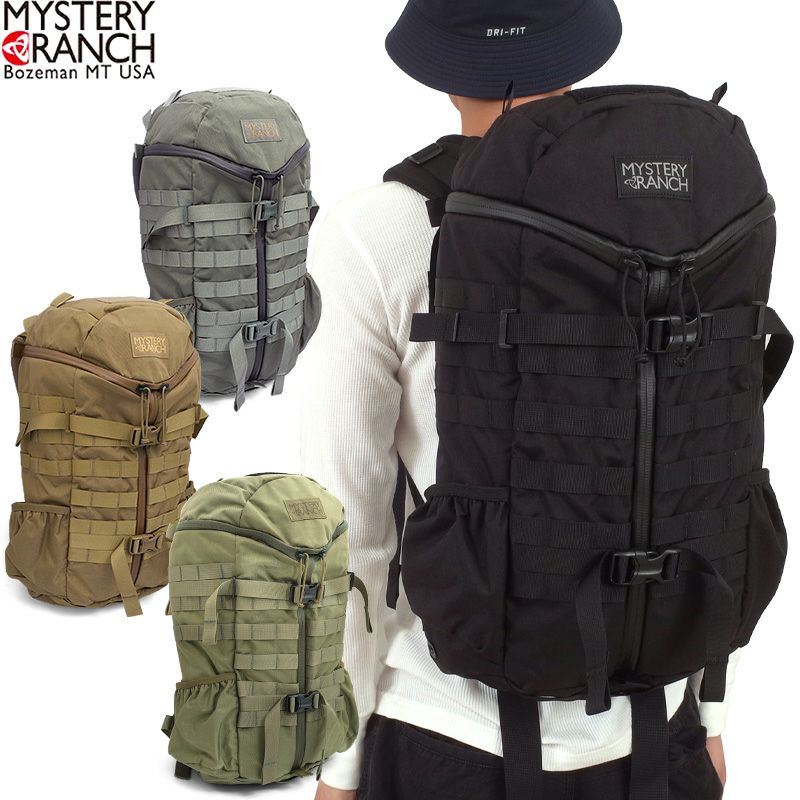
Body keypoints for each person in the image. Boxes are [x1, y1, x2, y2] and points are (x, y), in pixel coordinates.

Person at [301, 2, 735, 798]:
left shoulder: (376, 229)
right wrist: (710, 713)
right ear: (577, 47)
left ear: (442, 64)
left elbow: (350, 534)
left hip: (450, 742)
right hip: (660, 725)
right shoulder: (685, 203)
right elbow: (708, 461)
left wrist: (341, 758)